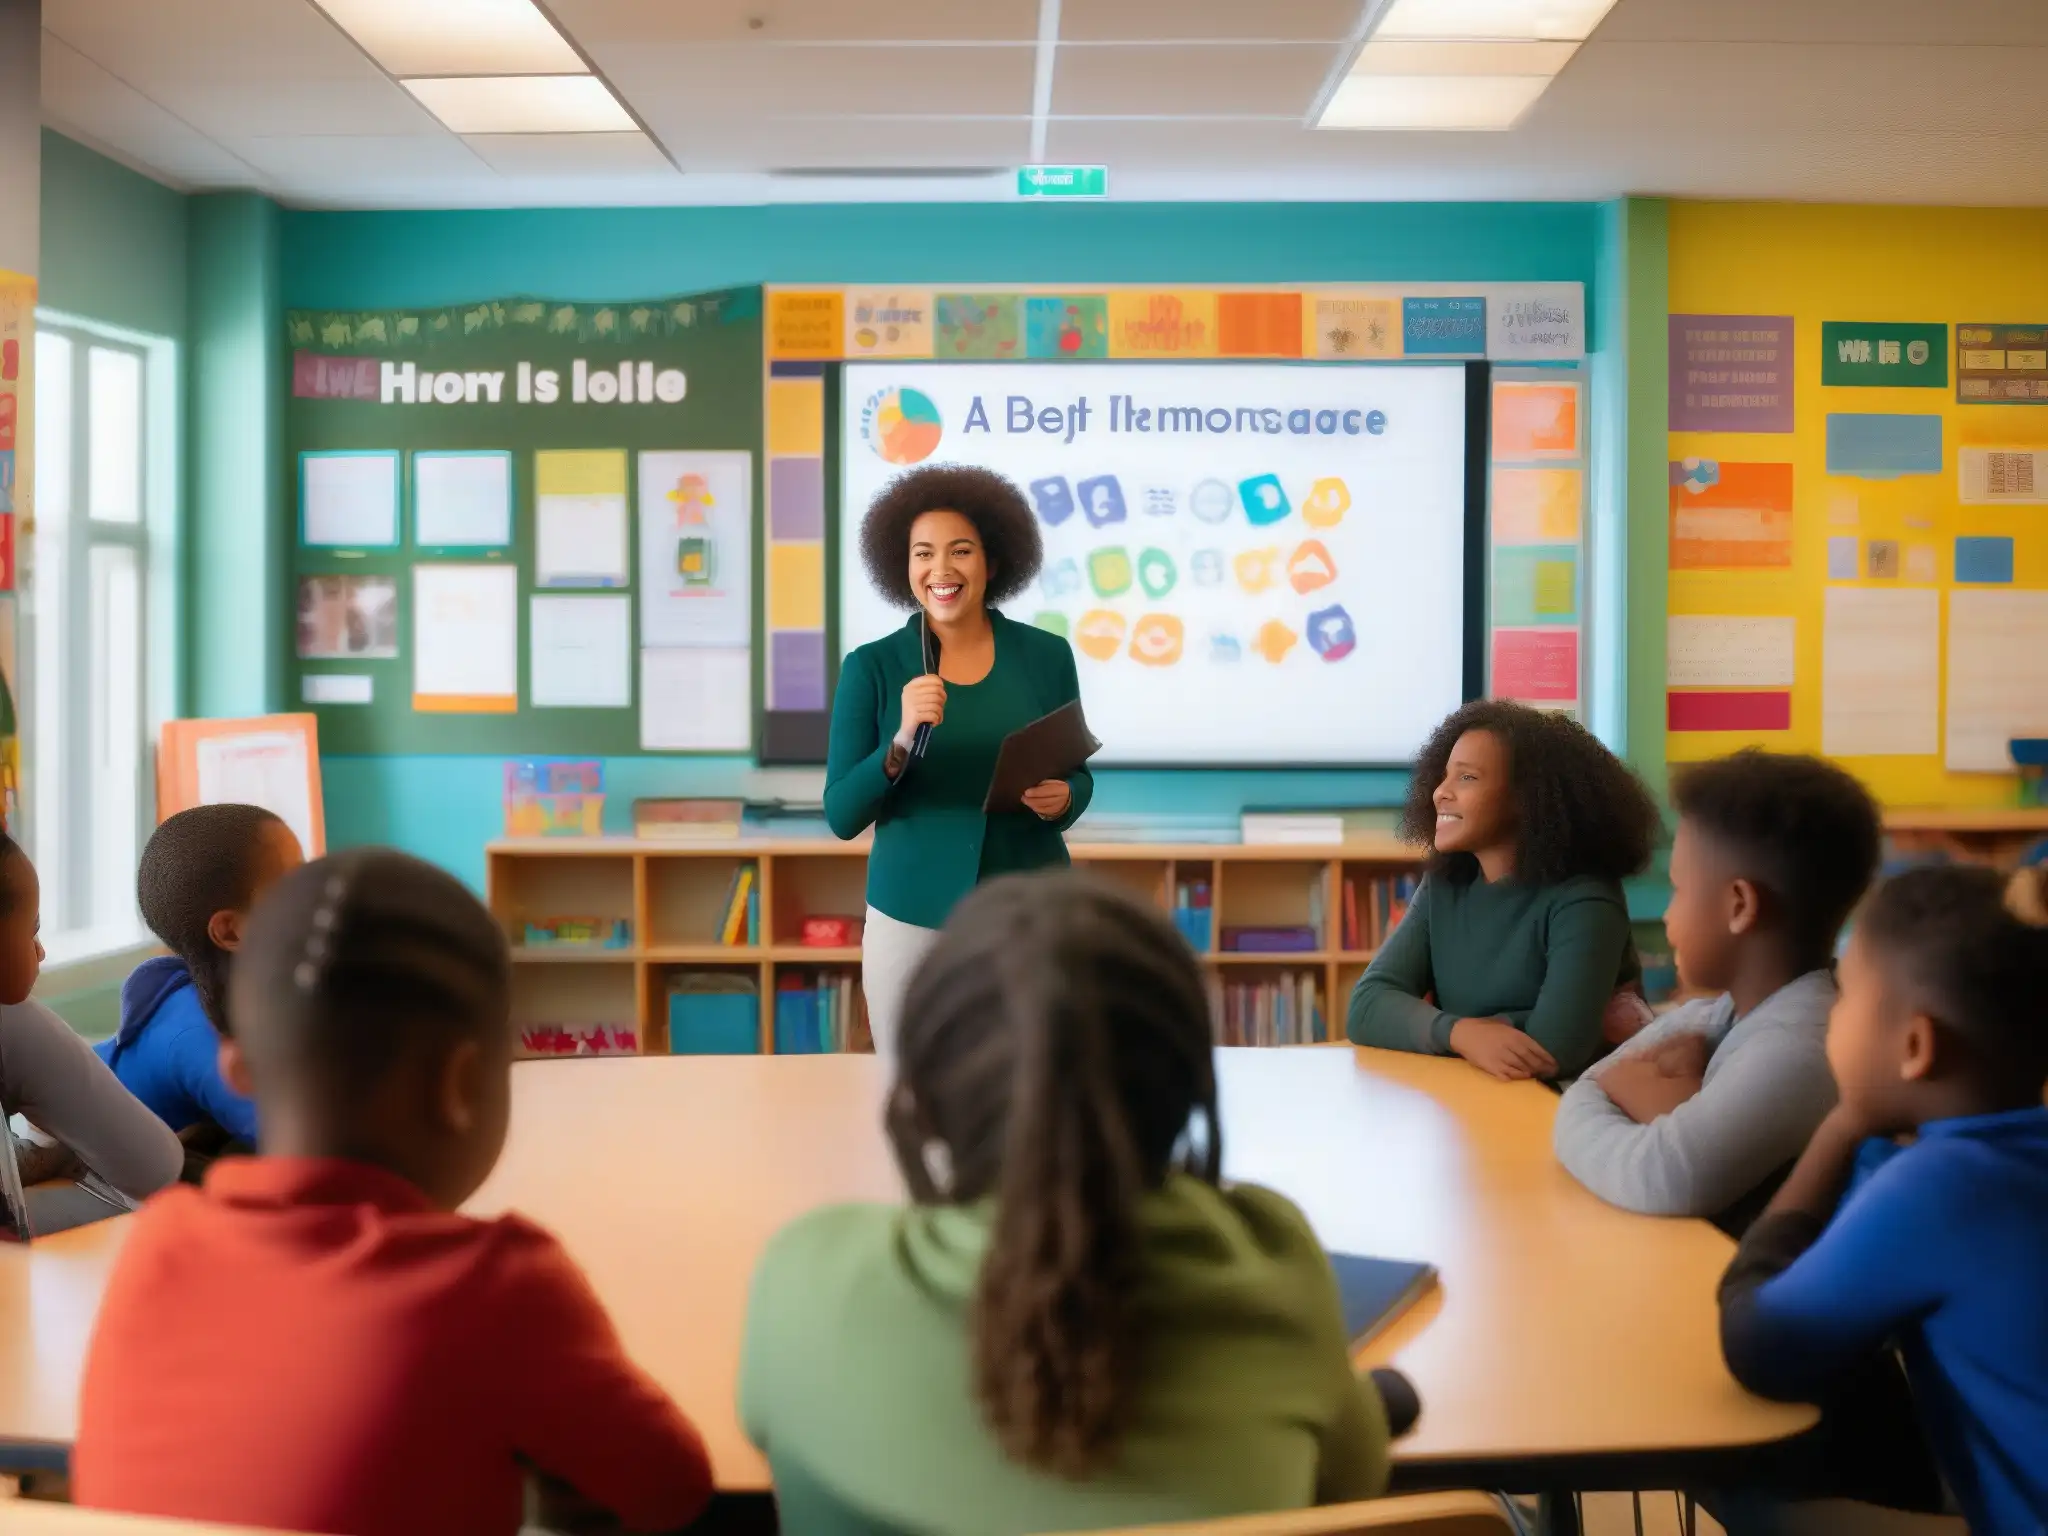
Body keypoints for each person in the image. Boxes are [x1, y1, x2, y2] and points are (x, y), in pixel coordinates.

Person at [740, 872, 1414, 1534]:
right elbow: (1351, 1477)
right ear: (1187, 1087)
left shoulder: (805, 1280)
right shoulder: (1276, 1273)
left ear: (925, 1096)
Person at [74, 848, 713, 1536]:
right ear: (463, 1084)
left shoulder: (156, 1247)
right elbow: (669, 1492)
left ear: (237, 1069)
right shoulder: (495, 1286)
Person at [1718, 864, 2048, 1536]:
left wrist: (1840, 1124)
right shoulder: (2001, 1152)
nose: (1831, 1017)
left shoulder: (1942, 1186)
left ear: (1915, 1046)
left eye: (1846, 996)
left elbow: (1758, 1346)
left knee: (1741, 1495)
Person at [825, 465, 1094, 1063]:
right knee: (911, 1090)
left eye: (961, 551)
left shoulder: (1046, 655)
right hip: (910, 913)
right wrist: (898, 741)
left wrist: (1067, 797)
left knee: (1031, 1084)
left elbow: (1077, 775)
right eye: (924, 553)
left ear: (993, 562)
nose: (941, 570)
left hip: (1029, 909)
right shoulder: (872, 666)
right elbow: (841, 813)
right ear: (905, 568)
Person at [1554, 751, 1880, 1229]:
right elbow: (1584, 1089)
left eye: (1679, 889)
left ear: (1739, 906)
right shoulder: (1717, 1014)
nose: (1666, 914)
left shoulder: (1800, 1047)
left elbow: (1659, 1176)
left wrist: (1630, 1090)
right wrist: (1637, 1100)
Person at [1346, 700, 1658, 1081]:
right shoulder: (1444, 886)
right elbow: (1366, 1006)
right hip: (1473, 1094)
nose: (1440, 792)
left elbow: (1555, 1048)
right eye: (1444, 776)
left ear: (1528, 799)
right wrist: (1463, 1033)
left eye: (1467, 778)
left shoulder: (1585, 898)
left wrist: (1428, 1025)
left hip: (1559, 1108)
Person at [95, 804, 304, 1153]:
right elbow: (303, 1148)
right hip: (97, 1173)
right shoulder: (199, 1035)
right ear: (230, 931)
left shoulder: (244, 986)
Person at [0, 832, 181, 1198]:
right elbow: (156, 1167)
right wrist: (42, 1154)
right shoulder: (13, 1022)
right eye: (31, 930)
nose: (41, 951)